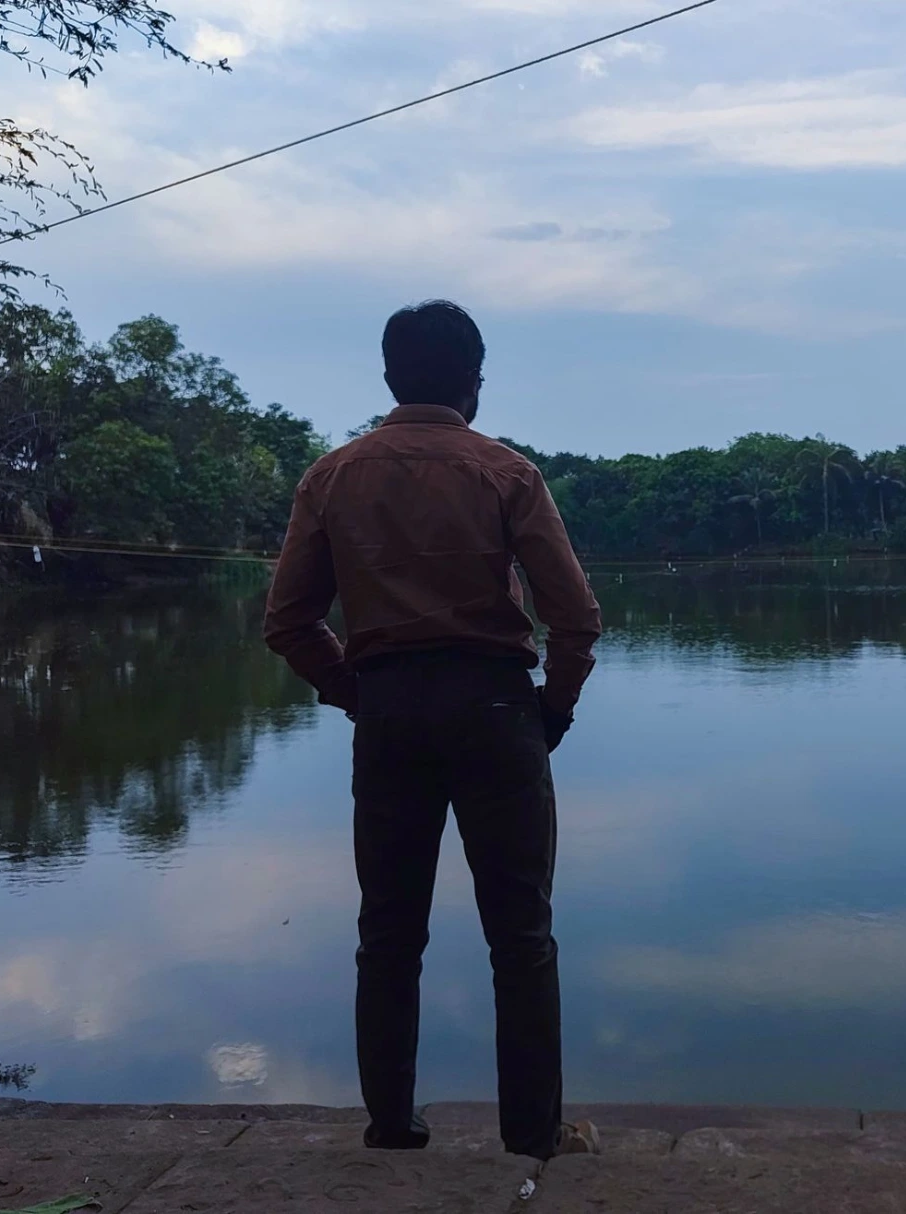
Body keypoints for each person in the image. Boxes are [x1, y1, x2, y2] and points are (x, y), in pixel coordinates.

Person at [263, 300, 604, 1159]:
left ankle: (392, 1125)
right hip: (496, 711)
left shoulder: (332, 476)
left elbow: (289, 622)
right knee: (520, 935)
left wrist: (354, 690)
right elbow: (576, 618)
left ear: (389, 377)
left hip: (390, 713)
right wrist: (552, 710)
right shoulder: (507, 473)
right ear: (474, 382)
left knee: (388, 933)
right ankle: (533, 1135)